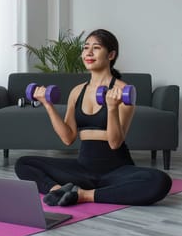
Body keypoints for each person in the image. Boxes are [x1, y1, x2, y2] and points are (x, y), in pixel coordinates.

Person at [15, 29, 172, 207]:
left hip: (116, 170)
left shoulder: (122, 91)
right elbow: (68, 138)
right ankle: (59, 190)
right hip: (83, 169)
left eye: (96, 48)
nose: (88, 53)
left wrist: (112, 108)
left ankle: (83, 195)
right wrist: (47, 105)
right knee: (24, 163)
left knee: (160, 181)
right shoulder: (77, 91)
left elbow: (115, 143)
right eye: (85, 47)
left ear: (111, 55)